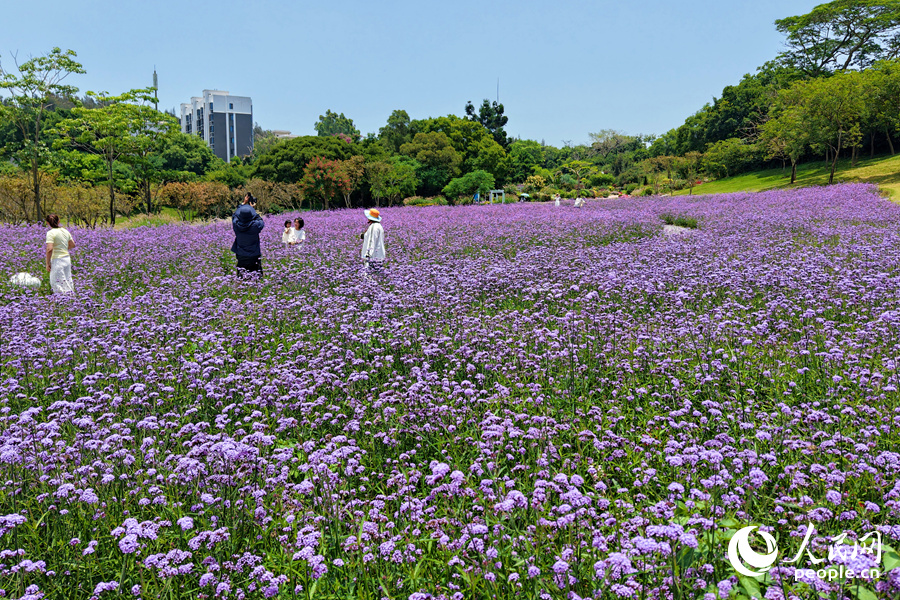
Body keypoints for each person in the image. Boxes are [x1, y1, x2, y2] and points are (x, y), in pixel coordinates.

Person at [231, 192, 264, 275]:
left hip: (241, 256)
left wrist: (243, 204)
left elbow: (234, 215)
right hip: (254, 256)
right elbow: (260, 220)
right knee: (256, 279)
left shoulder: (236, 225)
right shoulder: (255, 226)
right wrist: (252, 209)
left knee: (241, 278)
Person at [44, 213, 75, 294]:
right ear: (59, 221)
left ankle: (62, 300)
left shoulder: (50, 233)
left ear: (47, 223)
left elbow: (49, 249)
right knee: (67, 280)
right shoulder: (65, 231)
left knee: (56, 282)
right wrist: (63, 248)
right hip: (67, 259)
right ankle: (71, 298)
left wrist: (47, 263)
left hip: (57, 260)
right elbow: (72, 244)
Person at [360, 208, 385, 273]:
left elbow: (371, 241)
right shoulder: (379, 226)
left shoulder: (373, 227)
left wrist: (367, 255)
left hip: (373, 257)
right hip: (379, 256)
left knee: (369, 277)